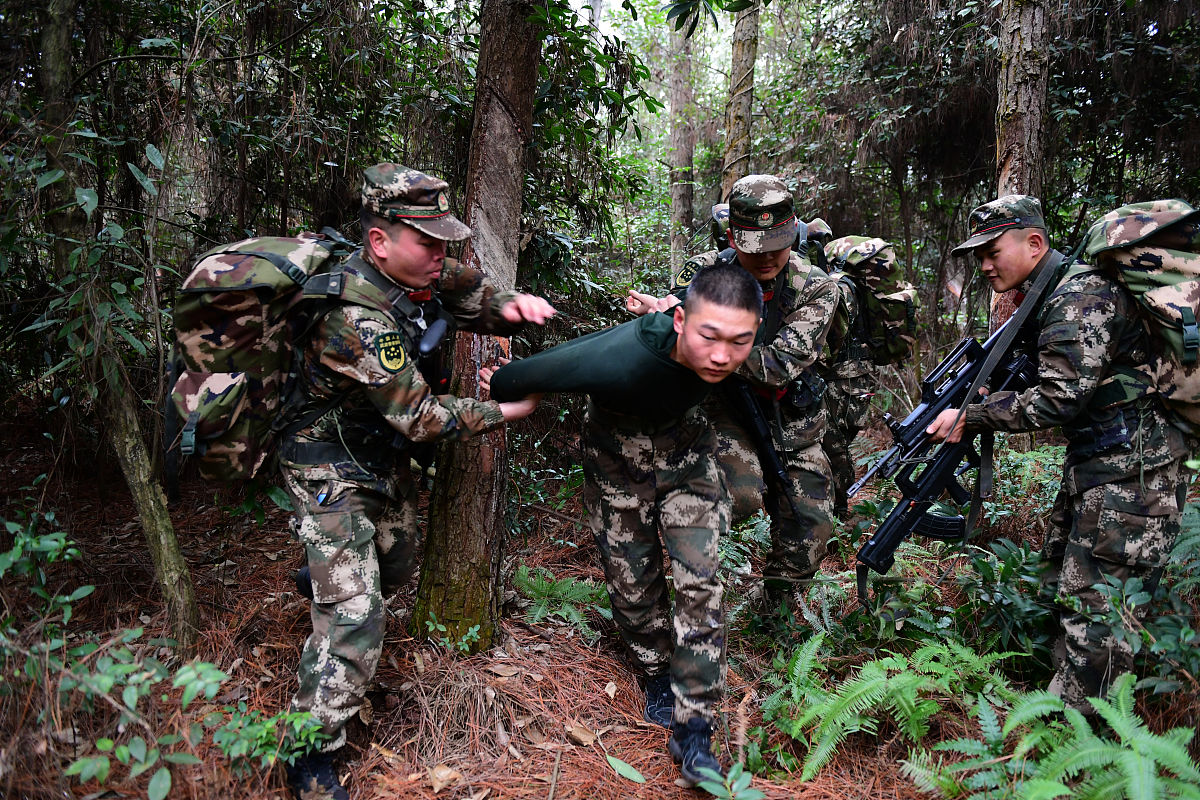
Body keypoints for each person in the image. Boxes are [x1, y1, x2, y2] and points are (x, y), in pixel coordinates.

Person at [278, 164, 555, 800]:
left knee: (397, 561)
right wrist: (505, 412)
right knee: (356, 617)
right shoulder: (355, 319)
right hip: (327, 466)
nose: (442, 255)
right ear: (380, 243)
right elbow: (423, 416)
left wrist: (510, 308)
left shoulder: (420, 272)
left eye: (443, 241)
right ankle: (308, 755)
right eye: (428, 243)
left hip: (376, 457)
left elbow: (471, 293)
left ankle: (329, 579)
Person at [483, 262, 763, 787]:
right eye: (709, 337)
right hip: (618, 459)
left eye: (739, 341)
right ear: (681, 321)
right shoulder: (623, 357)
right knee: (632, 583)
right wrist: (510, 381)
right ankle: (656, 671)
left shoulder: (731, 346)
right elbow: (527, 374)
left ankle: (694, 729)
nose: (723, 356)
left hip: (688, 457)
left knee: (700, 581)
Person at [926, 195, 1192, 714]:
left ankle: (1085, 745)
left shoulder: (1079, 295)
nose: (983, 265)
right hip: (1105, 465)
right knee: (1070, 590)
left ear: (1034, 243)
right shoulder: (1053, 295)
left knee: (1097, 611)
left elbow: (1060, 396)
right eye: (976, 254)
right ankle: (1062, 711)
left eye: (991, 250)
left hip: (1134, 474)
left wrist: (972, 416)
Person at [628, 175, 842, 610]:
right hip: (724, 412)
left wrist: (710, 343)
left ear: (794, 229)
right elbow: (670, 331)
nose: (765, 256)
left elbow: (780, 364)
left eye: (777, 243)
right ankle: (683, 581)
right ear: (731, 236)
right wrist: (664, 316)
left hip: (792, 422)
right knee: (738, 496)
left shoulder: (817, 286)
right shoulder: (706, 272)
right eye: (752, 245)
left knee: (812, 523)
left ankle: (776, 616)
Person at [819, 235, 892, 518]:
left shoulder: (840, 288)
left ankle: (836, 513)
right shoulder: (854, 287)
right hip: (858, 380)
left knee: (832, 443)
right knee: (837, 441)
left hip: (843, 380)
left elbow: (829, 343)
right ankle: (835, 510)